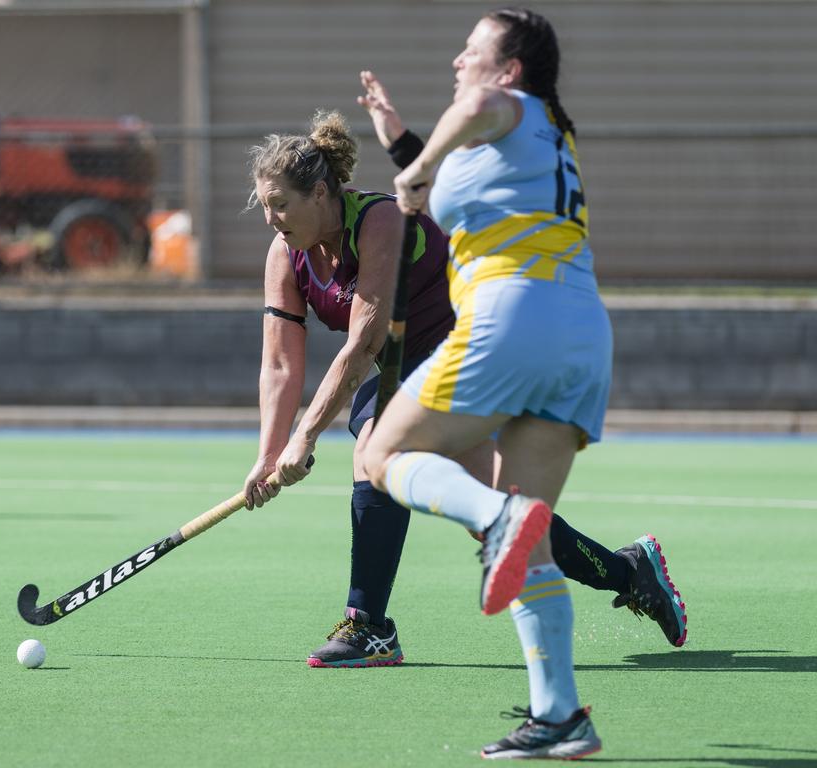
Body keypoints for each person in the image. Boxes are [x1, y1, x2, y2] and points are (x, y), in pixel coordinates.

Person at [242, 106, 685, 677]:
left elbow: (364, 344)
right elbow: (279, 364)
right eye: (265, 206)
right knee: (499, 515)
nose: (272, 219)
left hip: (478, 351)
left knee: (375, 448)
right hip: (416, 369)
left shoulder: (381, 223)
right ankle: (632, 573)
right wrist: (267, 454)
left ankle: (368, 624)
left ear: (322, 192)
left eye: (281, 204)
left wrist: (304, 437)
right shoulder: (287, 254)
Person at [357, 7, 624, 758]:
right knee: (531, 542)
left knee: (381, 459)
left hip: (516, 311)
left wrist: (409, 171)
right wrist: (403, 145)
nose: (457, 61)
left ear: (510, 70)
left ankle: (493, 518)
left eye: (472, 51)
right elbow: (448, 174)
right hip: (580, 330)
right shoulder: (535, 137)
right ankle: (561, 715)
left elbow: (469, 112)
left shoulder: (508, 104)